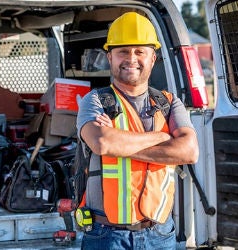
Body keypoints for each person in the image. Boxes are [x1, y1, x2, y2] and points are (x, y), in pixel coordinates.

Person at [76, 12, 199, 249]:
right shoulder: (95, 101)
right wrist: (162, 137)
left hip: (160, 234)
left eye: (139, 51)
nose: (131, 58)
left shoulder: (169, 102)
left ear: (153, 58)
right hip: (107, 235)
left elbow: (189, 151)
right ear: (110, 57)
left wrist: (120, 145)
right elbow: (102, 144)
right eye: (123, 51)